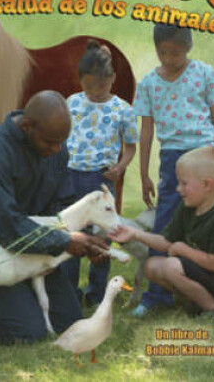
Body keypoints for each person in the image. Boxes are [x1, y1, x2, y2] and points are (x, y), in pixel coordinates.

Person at [0, 90, 109, 345]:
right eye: (50, 143)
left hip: (36, 247)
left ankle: (13, 301)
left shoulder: (55, 147)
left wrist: (86, 241)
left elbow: (63, 204)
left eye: (62, 142)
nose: (58, 149)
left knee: (69, 322)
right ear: (27, 127)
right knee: (27, 332)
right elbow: (4, 223)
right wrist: (62, 241)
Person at [132, 23, 214, 317]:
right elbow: (146, 133)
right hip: (172, 158)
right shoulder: (148, 84)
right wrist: (143, 173)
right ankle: (156, 296)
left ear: (188, 48)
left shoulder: (205, 74)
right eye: (162, 52)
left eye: (176, 52)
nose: (168, 58)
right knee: (166, 220)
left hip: (207, 152)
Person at [62, 39, 138, 306]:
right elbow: (61, 137)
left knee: (103, 238)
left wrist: (120, 167)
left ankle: (95, 294)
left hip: (101, 180)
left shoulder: (122, 110)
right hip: (70, 177)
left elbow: (130, 146)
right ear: (80, 80)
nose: (95, 92)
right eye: (88, 86)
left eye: (102, 86)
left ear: (113, 79)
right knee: (70, 235)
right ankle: (69, 292)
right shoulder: (71, 103)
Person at [110, 146, 214, 316]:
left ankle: (213, 309)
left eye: (184, 183)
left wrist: (184, 250)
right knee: (152, 266)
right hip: (206, 275)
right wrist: (135, 233)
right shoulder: (188, 207)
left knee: (171, 266)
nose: (178, 189)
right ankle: (198, 305)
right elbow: (167, 242)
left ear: (207, 184)